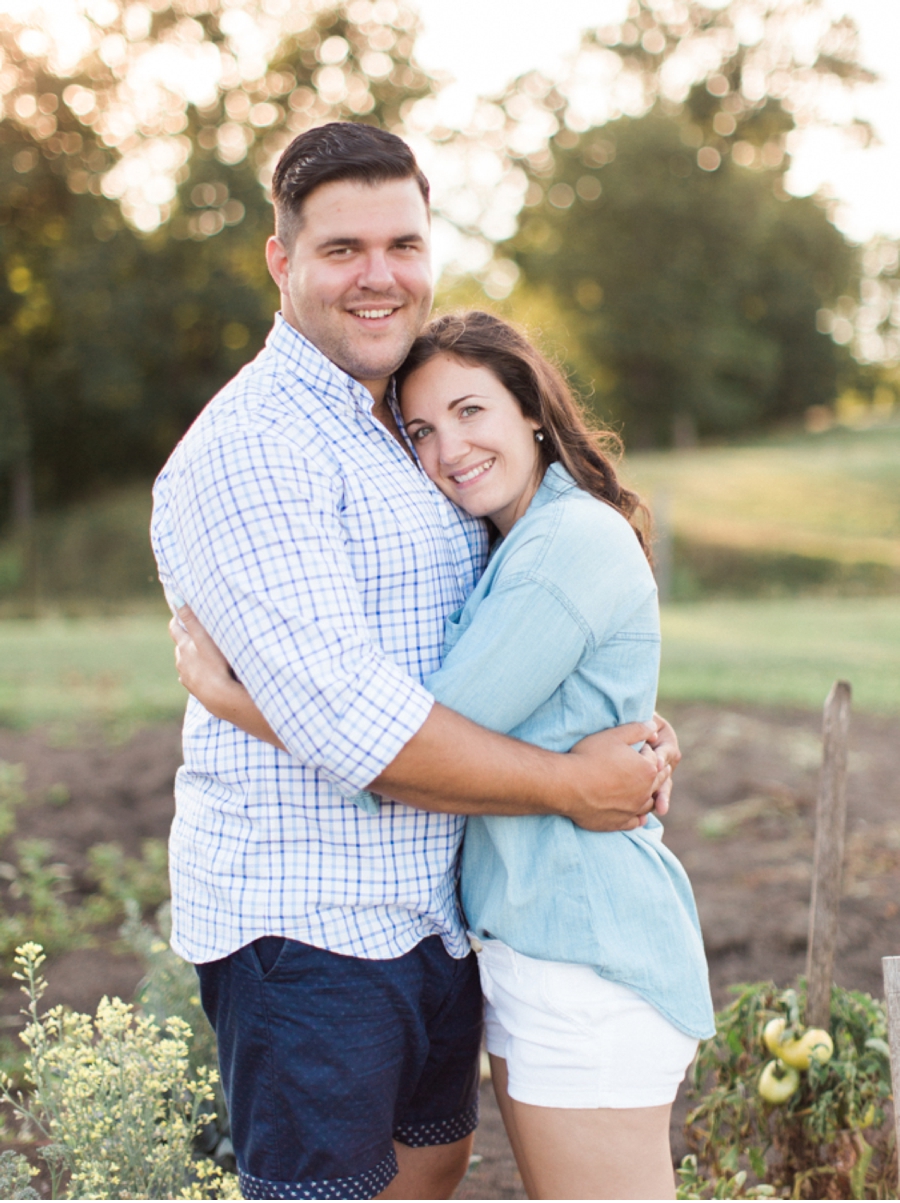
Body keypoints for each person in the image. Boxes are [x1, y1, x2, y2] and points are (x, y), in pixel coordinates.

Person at [151, 121, 681, 1202]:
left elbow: (501, 635)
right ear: (281, 259)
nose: (379, 276)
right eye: (343, 249)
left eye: (403, 243)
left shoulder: (393, 424)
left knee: (425, 1180)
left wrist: (615, 714)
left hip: (434, 916)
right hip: (309, 929)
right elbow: (359, 726)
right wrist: (578, 782)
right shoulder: (256, 449)